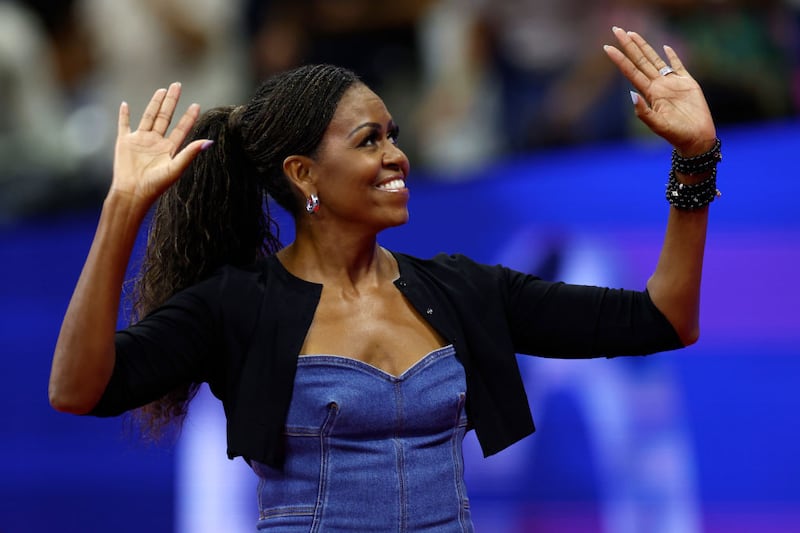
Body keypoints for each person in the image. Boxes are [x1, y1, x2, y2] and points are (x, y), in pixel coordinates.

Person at [49, 27, 720, 531]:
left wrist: (694, 160)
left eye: (394, 135)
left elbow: (666, 318)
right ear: (303, 174)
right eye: (369, 140)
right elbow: (79, 388)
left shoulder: (463, 291)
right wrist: (122, 209)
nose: (397, 155)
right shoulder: (238, 306)